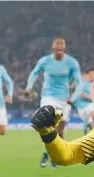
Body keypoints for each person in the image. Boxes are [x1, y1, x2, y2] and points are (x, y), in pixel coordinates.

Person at [25, 37, 82, 168]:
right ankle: (46, 154)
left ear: (65, 48)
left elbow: (79, 83)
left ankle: (56, 156)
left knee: (59, 131)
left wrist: (73, 98)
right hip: (48, 96)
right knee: (48, 122)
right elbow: (34, 73)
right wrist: (29, 87)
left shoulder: (71, 63)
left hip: (64, 99)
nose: (60, 47)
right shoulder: (45, 61)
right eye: (58, 45)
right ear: (53, 48)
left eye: (62, 45)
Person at [75, 68, 94, 134]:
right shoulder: (83, 83)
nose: (93, 76)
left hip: (92, 104)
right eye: (91, 74)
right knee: (90, 124)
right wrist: (90, 97)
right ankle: (90, 132)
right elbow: (80, 93)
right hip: (81, 106)